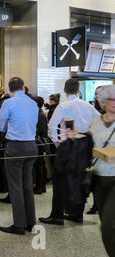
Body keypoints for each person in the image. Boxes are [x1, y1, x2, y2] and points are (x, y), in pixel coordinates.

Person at [39, 79, 99, 226]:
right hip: (84, 145)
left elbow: (52, 125)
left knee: (59, 181)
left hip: (68, 144)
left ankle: (57, 216)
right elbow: (99, 121)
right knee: (79, 178)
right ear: (78, 90)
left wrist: (56, 141)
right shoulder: (88, 106)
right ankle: (77, 214)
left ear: (65, 91)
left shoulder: (64, 106)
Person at [0, 77, 38, 235]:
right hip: (32, 146)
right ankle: (30, 222)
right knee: (27, 186)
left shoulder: (9, 103)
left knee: (15, 187)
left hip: (15, 146)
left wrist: (9, 125)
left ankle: (19, 224)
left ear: (10, 89)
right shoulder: (33, 103)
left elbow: (0, 126)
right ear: (23, 87)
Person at [88, 85, 115, 257]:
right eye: (111, 99)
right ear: (103, 101)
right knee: (105, 223)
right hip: (98, 179)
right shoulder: (95, 121)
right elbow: (89, 145)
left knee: (108, 226)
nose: (114, 103)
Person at [88, 86, 106, 214]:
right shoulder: (94, 109)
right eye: (96, 94)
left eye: (99, 94)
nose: (96, 96)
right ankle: (96, 205)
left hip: (107, 150)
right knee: (96, 179)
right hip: (96, 148)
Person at [32, 96, 48, 195]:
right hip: (39, 143)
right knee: (39, 165)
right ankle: (41, 186)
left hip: (39, 143)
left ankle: (39, 187)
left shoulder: (39, 115)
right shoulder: (39, 113)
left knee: (39, 166)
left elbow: (41, 130)